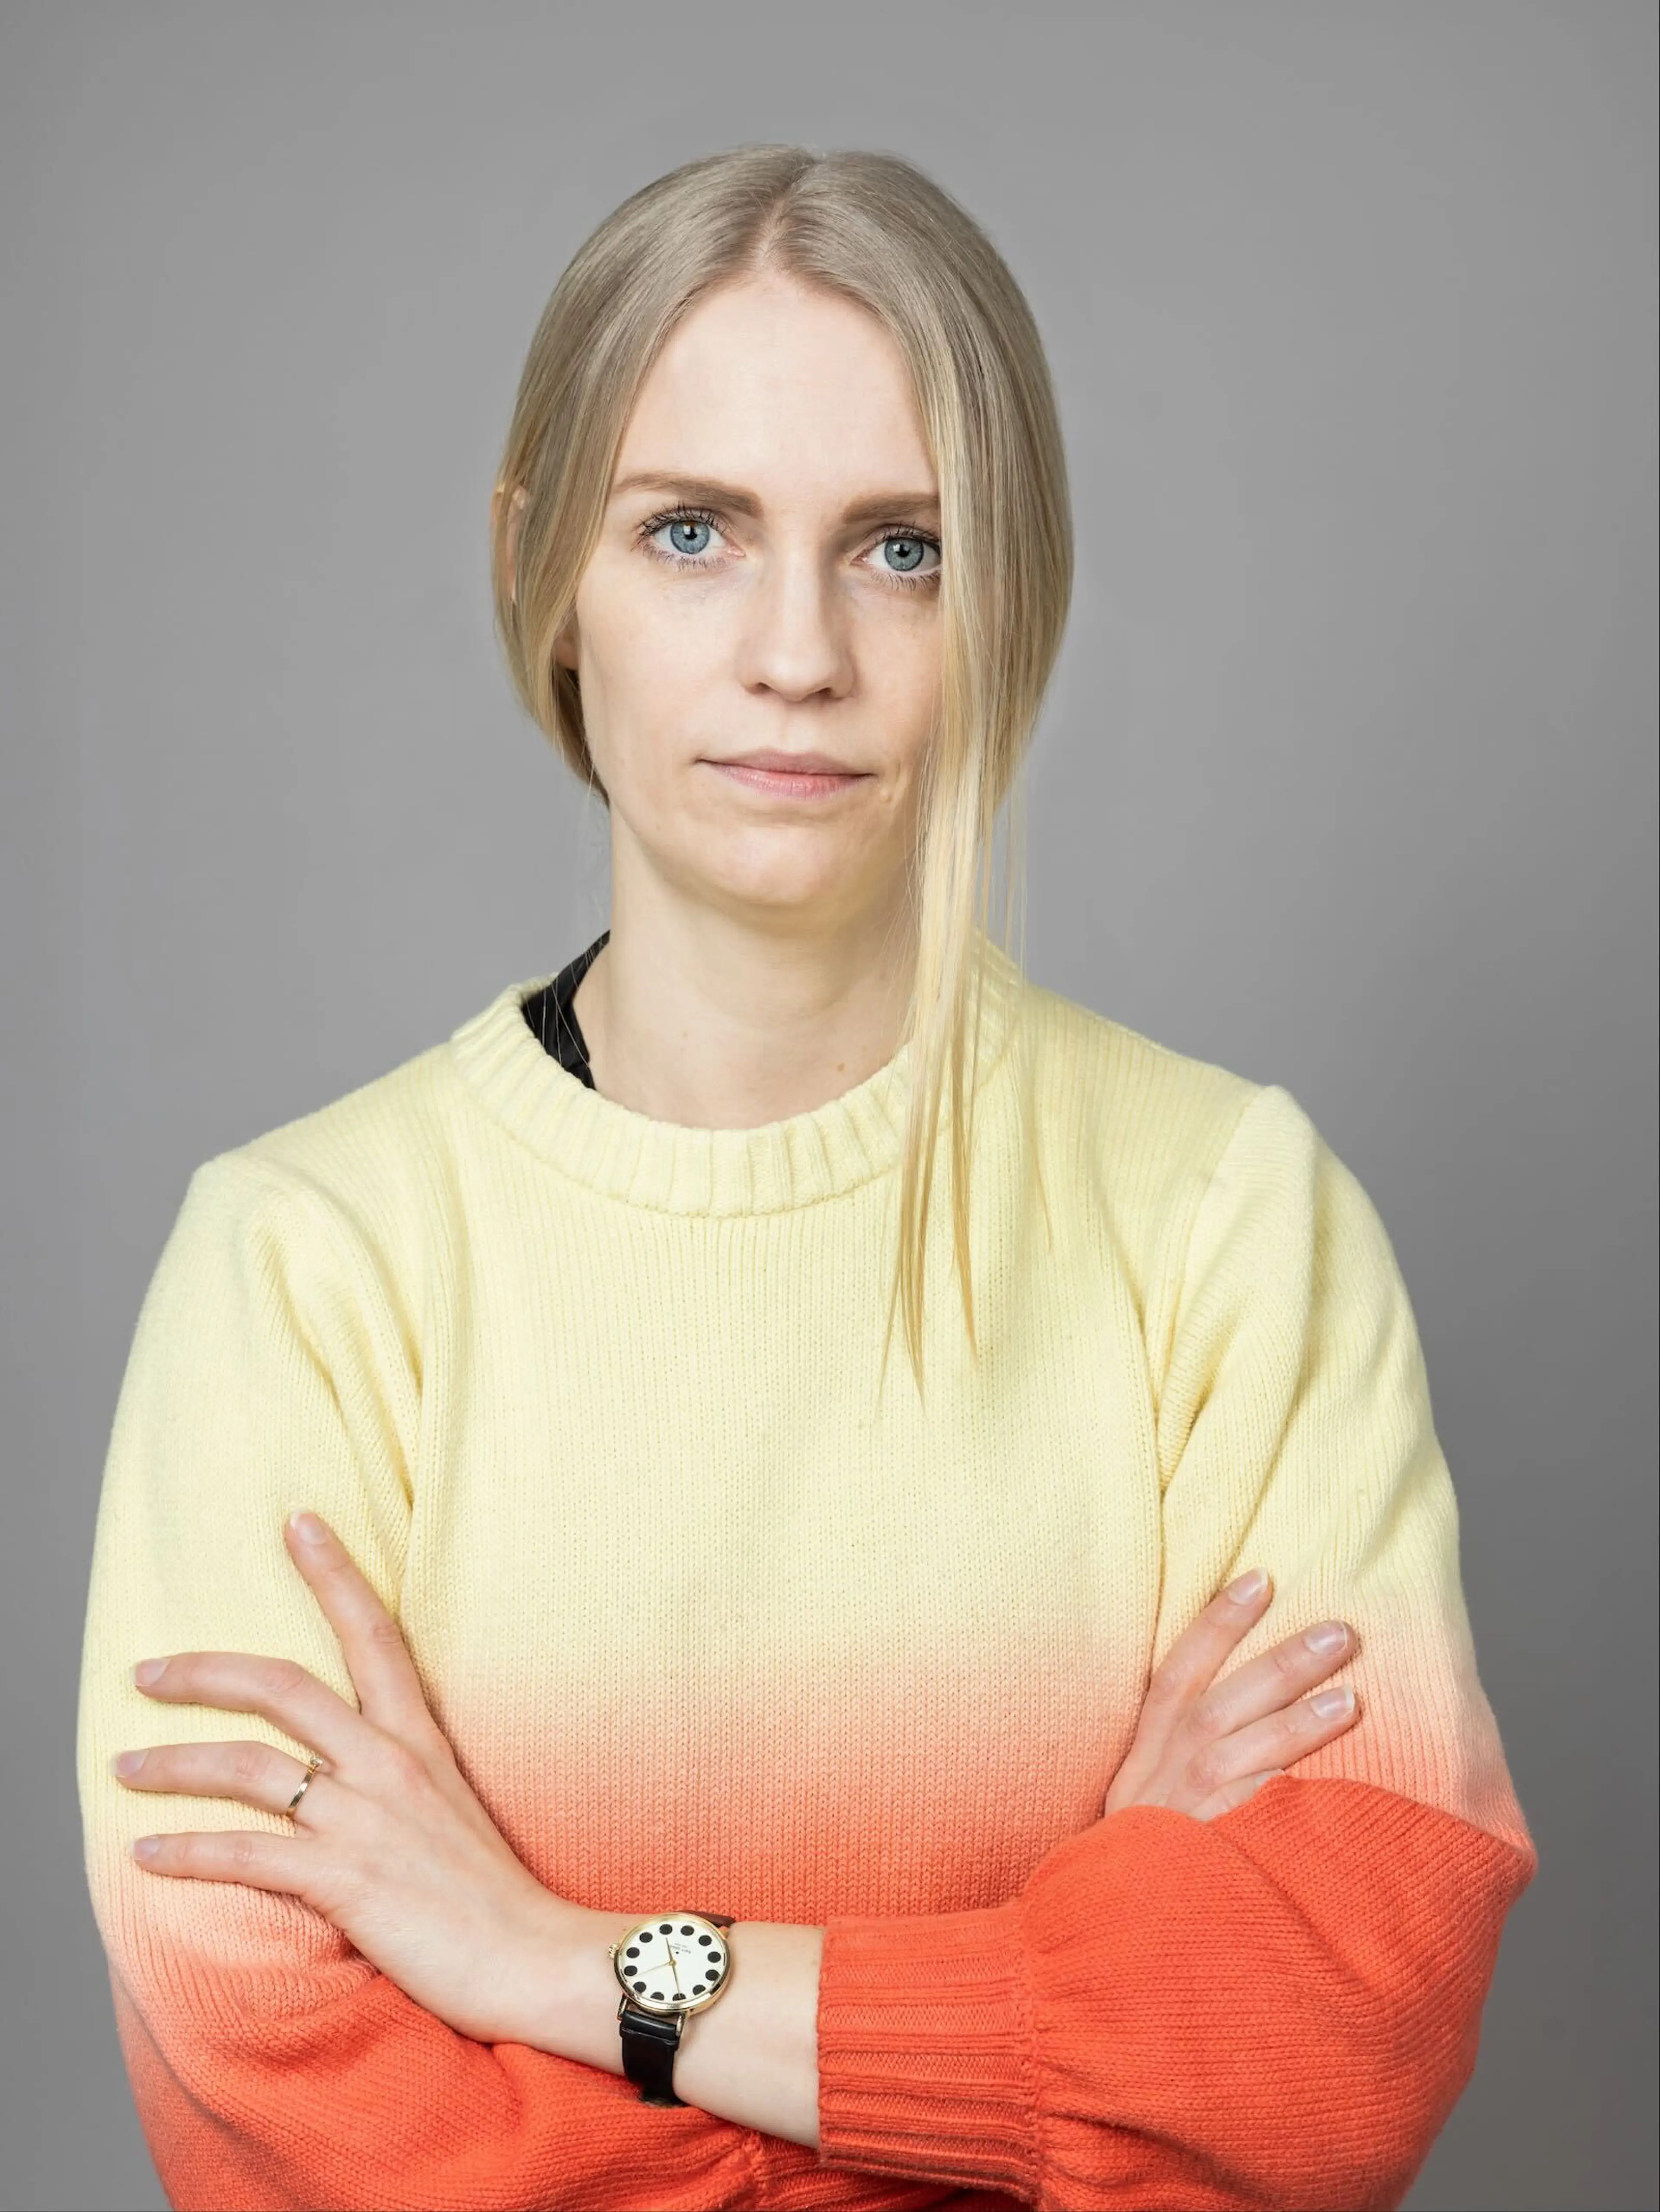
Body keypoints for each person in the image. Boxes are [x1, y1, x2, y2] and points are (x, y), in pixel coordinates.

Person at [76, 143, 1537, 2212]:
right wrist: (1057, 1987)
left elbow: (1322, 2054)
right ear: (537, 569)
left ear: (1014, 585)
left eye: (902, 549)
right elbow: (281, 2102)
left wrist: (551, 1961)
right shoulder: (304, 1264)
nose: (798, 651)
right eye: (691, 531)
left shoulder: (1230, 1218)